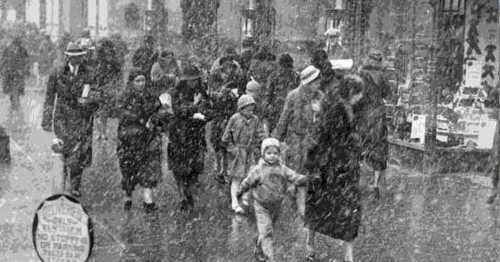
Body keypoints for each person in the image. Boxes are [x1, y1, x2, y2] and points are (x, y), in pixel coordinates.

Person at [303, 75, 365, 262]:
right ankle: (318, 247)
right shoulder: (338, 109)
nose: (361, 97)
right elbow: (334, 138)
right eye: (359, 93)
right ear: (352, 92)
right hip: (335, 168)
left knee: (325, 207)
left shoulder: (339, 107)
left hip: (334, 168)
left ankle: (315, 246)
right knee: (343, 208)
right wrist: (353, 144)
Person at [237, 138, 308, 262]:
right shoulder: (258, 170)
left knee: (267, 230)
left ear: (279, 154)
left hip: (276, 205)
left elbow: (294, 177)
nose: (272, 156)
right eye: (269, 153)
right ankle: (270, 258)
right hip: (261, 205)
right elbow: (247, 182)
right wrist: (240, 192)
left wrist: (307, 179)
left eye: (275, 153)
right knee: (267, 231)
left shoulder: (282, 168)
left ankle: (259, 249)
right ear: (263, 154)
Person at [41, 42, 98, 198]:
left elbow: (97, 94)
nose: (77, 60)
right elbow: (49, 97)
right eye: (74, 57)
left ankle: (75, 185)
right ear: (67, 57)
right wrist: (46, 118)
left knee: (79, 153)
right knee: (64, 149)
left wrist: (89, 101)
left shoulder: (89, 73)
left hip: (82, 118)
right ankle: (62, 180)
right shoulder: (57, 73)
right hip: (63, 118)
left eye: (79, 57)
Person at [273, 65, 324, 218]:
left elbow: (326, 119)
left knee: (306, 169)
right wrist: (276, 138)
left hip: (312, 138)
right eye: (316, 82)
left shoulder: (320, 97)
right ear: (308, 82)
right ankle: (294, 194)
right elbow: (285, 117)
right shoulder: (293, 96)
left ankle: (300, 201)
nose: (318, 85)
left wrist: (319, 112)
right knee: (296, 166)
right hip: (295, 137)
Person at [116, 69, 165, 212]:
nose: (141, 83)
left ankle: (148, 200)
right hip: (128, 139)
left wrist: (155, 119)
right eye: (137, 80)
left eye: (143, 80)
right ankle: (128, 196)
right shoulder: (125, 97)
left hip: (147, 139)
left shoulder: (150, 96)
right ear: (132, 82)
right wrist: (138, 118)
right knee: (128, 169)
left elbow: (159, 110)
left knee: (148, 168)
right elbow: (120, 112)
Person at [167, 64, 212, 211]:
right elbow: (179, 111)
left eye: (195, 79)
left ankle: (189, 193)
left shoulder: (201, 91)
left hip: (196, 134)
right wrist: (194, 106)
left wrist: (204, 114)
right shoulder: (176, 92)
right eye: (190, 80)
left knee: (195, 168)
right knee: (179, 169)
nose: (193, 82)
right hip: (179, 135)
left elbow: (209, 108)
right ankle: (182, 196)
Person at [222, 94, 266, 214]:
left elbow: (260, 133)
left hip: (249, 152)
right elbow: (226, 138)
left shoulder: (255, 120)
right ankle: (234, 202)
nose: (250, 112)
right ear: (241, 109)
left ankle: (245, 199)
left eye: (252, 109)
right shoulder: (234, 119)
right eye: (248, 109)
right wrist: (233, 149)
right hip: (237, 153)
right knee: (236, 178)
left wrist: (264, 142)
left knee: (249, 177)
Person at [358, 50, 391, 199]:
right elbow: (387, 93)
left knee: (362, 146)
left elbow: (357, 94)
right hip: (378, 113)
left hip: (364, 114)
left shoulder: (361, 74)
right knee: (378, 148)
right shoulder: (383, 76)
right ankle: (375, 184)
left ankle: (360, 181)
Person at [263, 53, 300, 133]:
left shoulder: (273, 75)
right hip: (290, 109)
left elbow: (268, 94)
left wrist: (265, 110)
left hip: (276, 109)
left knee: (276, 132)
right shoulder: (296, 76)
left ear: (280, 64)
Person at [95, 38, 122, 140]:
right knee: (101, 112)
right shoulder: (99, 60)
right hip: (101, 88)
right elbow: (96, 74)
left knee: (108, 112)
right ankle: (101, 132)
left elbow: (119, 74)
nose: (108, 51)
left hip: (110, 88)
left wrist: (117, 86)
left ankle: (104, 132)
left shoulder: (114, 62)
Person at [0, 37, 30, 110]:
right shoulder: (21, 50)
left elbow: (3, 60)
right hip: (15, 73)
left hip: (12, 73)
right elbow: (27, 62)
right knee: (14, 89)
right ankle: (14, 102)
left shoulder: (9, 49)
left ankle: (14, 102)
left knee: (14, 89)